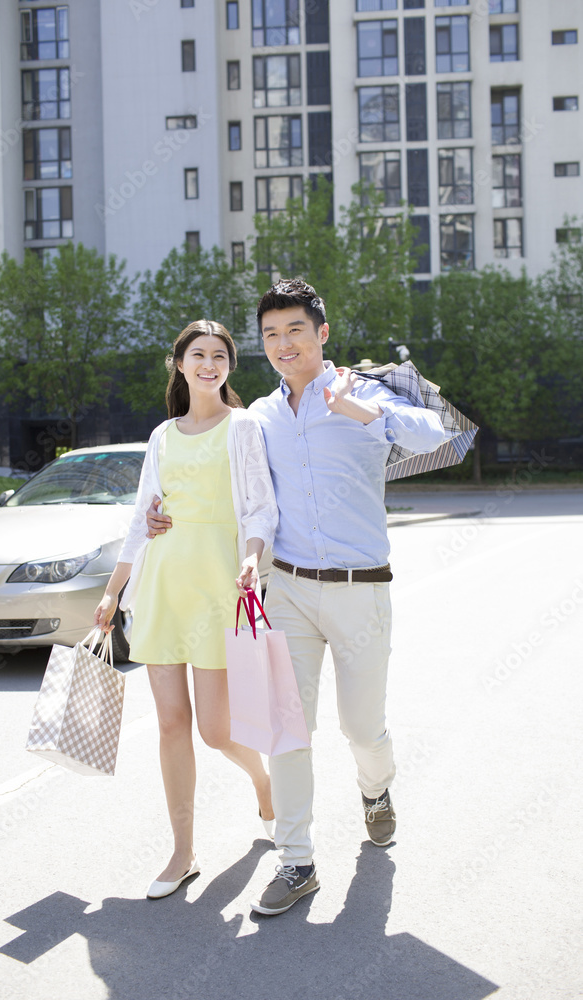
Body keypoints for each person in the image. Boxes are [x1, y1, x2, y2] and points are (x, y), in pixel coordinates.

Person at [147, 279, 447, 916]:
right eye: (271, 335)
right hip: (285, 591)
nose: (284, 344)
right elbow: (229, 483)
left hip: (361, 591)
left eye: (295, 331)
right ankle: (296, 861)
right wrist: (159, 515)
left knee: (361, 725)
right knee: (287, 728)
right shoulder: (260, 416)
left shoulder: (365, 392)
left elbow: (436, 433)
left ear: (322, 335)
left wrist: (366, 413)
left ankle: (377, 789)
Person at [93, 319, 278, 900]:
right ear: (179, 364)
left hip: (218, 586)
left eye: (219, 355)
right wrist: (112, 589)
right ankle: (182, 851)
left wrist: (252, 560)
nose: (208, 363)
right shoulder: (161, 435)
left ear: (229, 366)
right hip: (165, 586)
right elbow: (141, 518)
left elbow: (259, 508)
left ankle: (262, 781)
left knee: (217, 730)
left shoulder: (242, 426)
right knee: (172, 724)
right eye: (197, 354)